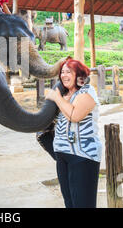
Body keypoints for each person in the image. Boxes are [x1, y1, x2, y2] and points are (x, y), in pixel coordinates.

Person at [45, 58, 102, 208]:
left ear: (79, 75)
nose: (64, 75)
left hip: (83, 156)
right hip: (62, 154)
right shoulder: (64, 95)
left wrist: (56, 97)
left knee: (83, 203)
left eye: (68, 72)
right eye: (62, 72)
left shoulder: (87, 91)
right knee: (69, 202)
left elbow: (75, 116)